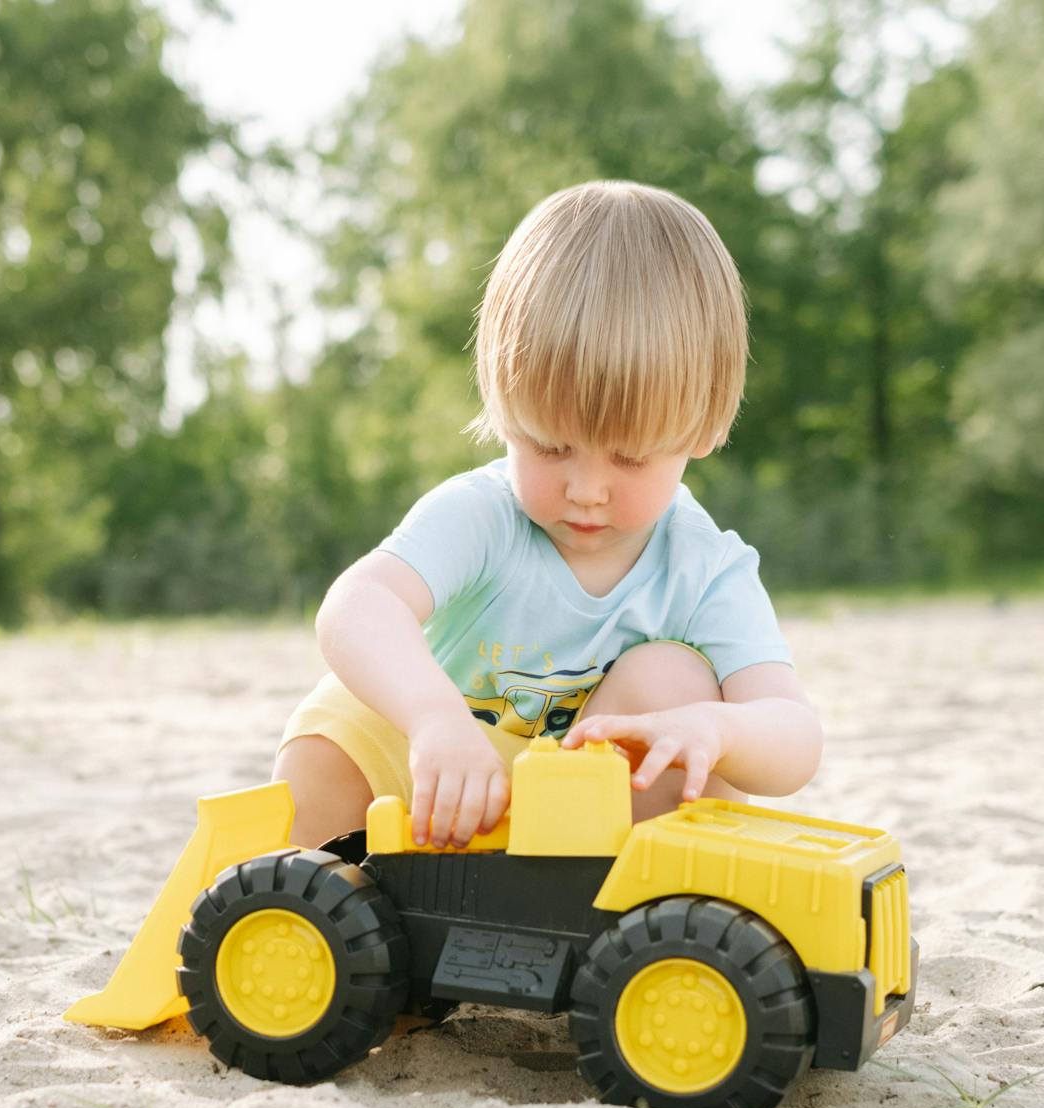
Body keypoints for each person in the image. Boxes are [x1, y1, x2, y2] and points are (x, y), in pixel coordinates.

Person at [276, 180, 823, 850]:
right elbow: (356, 603)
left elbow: (795, 735)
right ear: (504, 406)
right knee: (335, 725)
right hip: (438, 798)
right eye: (552, 446)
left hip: (576, 834)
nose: (587, 489)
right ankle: (340, 889)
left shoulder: (702, 567)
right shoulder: (484, 516)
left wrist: (719, 727)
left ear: (701, 429)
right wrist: (433, 718)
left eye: (629, 457)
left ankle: (604, 915)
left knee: (675, 683)